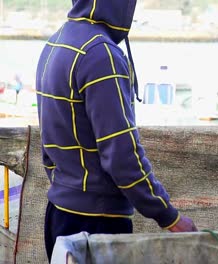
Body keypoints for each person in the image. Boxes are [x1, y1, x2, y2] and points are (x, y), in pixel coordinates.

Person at [35, 0, 197, 261]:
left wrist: (68, 187)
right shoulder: (101, 55)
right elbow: (122, 158)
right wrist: (170, 217)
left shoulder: (56, 42)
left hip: (59, 216)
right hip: (97, 226)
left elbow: (48, 147)